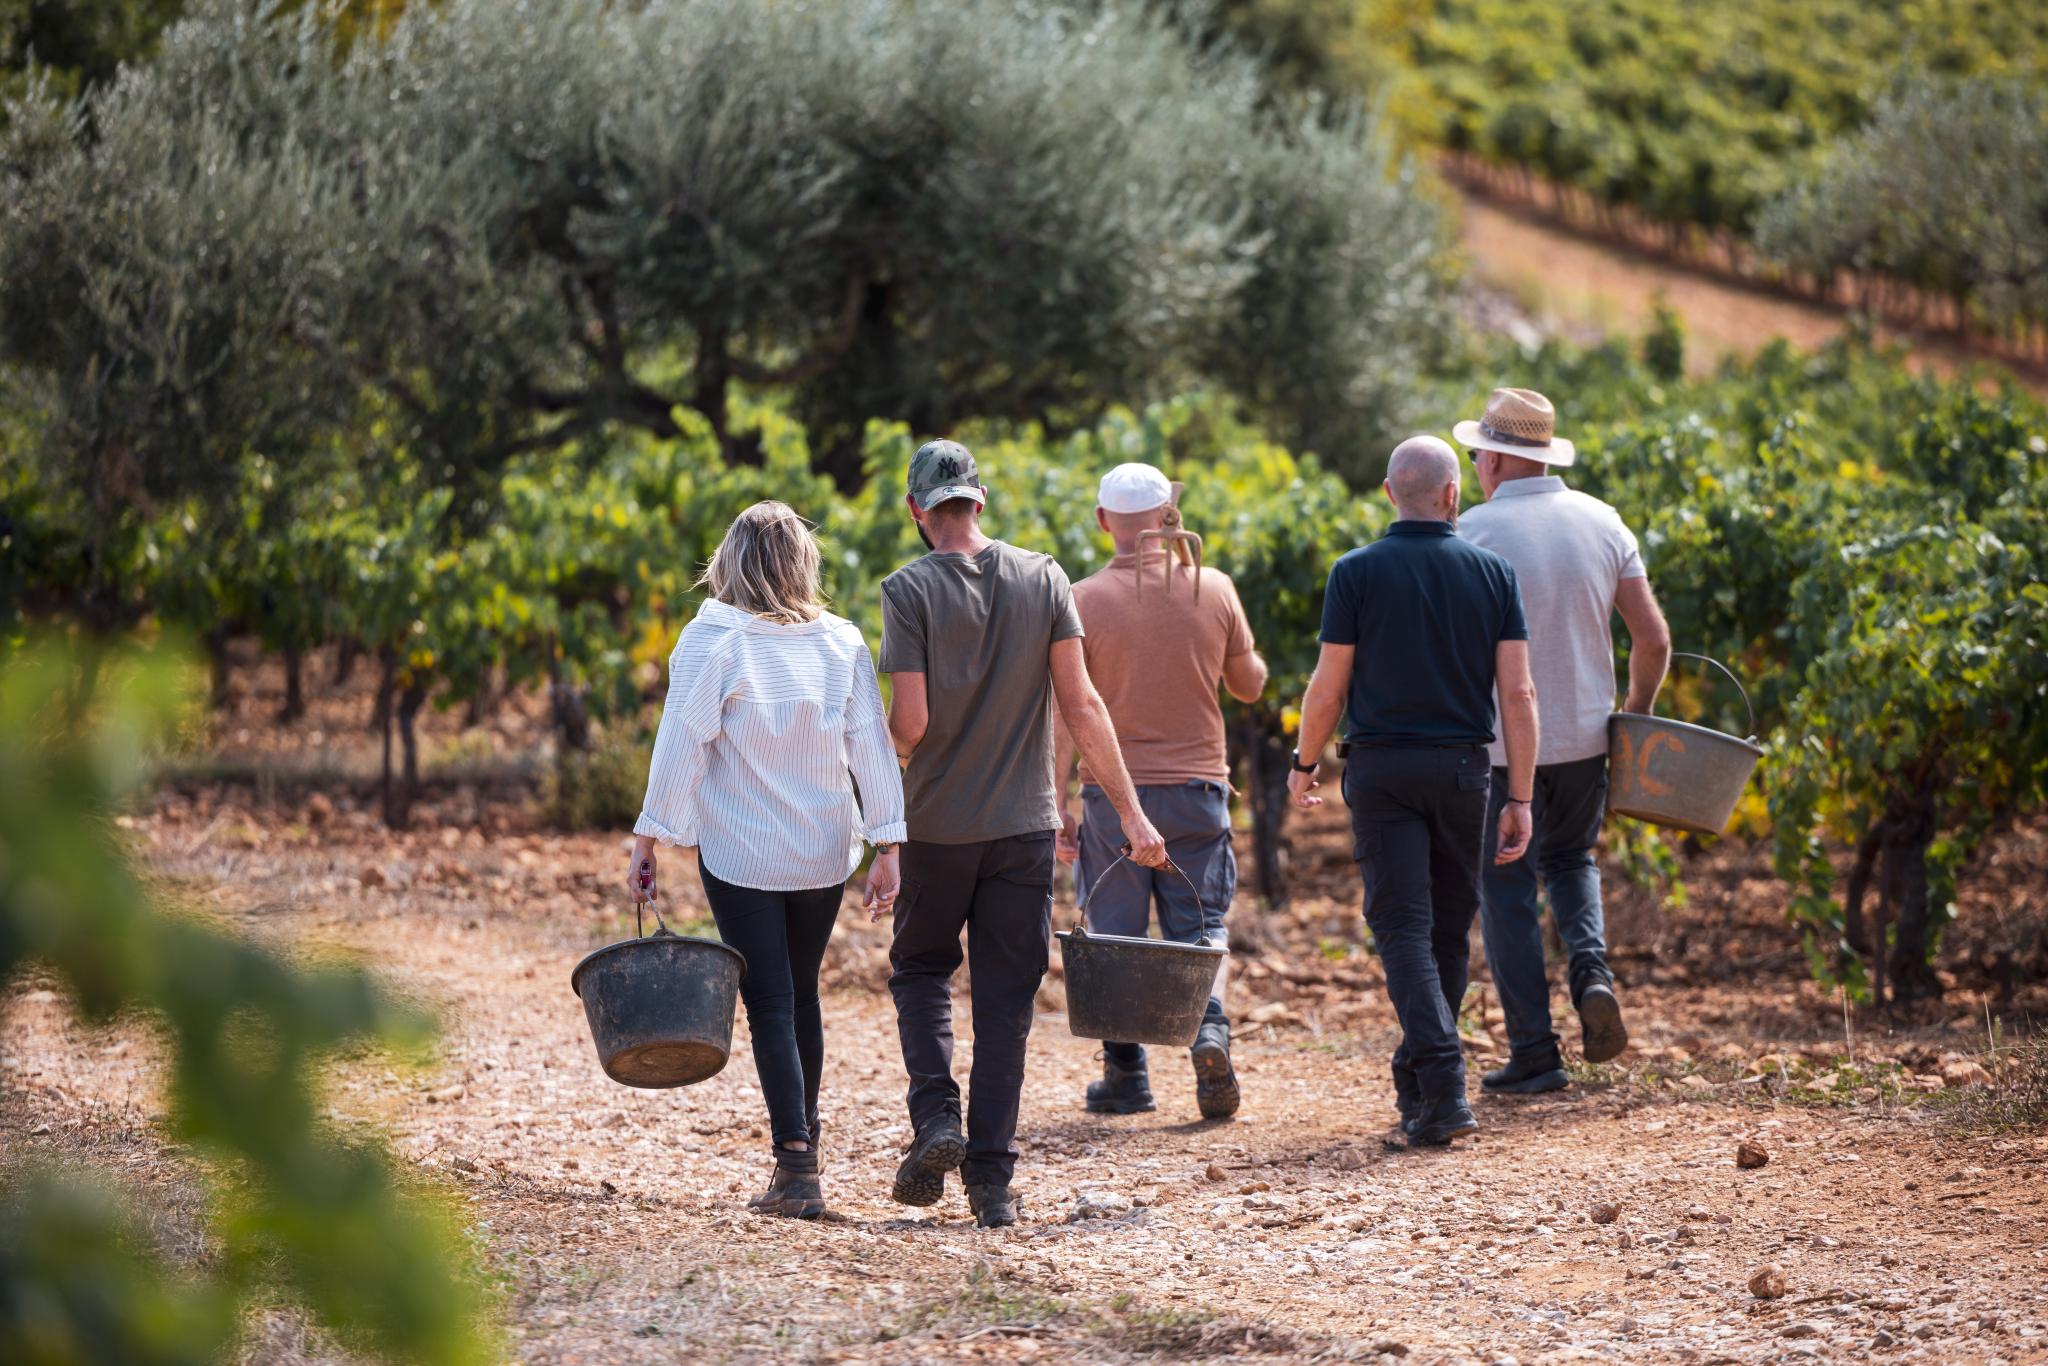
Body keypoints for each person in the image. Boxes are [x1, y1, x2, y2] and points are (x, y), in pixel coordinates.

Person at [880, 439, 1167, 1229]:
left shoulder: (906, 591)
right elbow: (1082, 706)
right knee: (1005, 1004)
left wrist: (870, 775)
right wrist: (1132, 812)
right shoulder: (1043, 578)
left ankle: (938, 1119)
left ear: (917, 511)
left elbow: (911, 724)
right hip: (1024, 829)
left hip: (937, 827)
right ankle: (993, 1185)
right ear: (979, 501)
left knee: (922, 973)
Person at [626, 502, 906, 1221]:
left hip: (744, 851)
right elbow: (871, 745)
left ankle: (796, 1167)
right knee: (800, 995)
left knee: (772, 1004)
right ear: (801, 562)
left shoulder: (713, 637)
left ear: (731, 559)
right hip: (821, 851)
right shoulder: (839, 640)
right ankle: (801, 1153)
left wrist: (650, 835)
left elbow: (680, 741)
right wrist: (888, 841)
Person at [1286, 436, 1538, 1147]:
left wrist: (1304, 763)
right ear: (1453, 495)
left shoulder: (1355, 572)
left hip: (1383, 772)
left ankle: (1438, 1080)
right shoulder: (1494, 574)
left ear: (1389, 493)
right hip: (1465, 771)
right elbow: (1517, 692)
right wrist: (1519, 794)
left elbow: (1328, 685)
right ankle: (1427, 1084)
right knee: (1448, 931)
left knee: (1401, 929)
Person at [1456, 387, 1670, 1089]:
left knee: (1506, 891)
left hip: (1496, 752)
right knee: (1573, 860)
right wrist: (1630, 718)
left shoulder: (1474, 536)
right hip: (1586, 738)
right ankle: (1591, 971)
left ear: (1492, 459)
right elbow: (1653, 639)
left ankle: (1535, 1055)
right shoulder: (1604, 521)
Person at [1051, 462, 1267, 1120]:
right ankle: (1209, 1034)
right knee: (1200, 924)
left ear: (1101, 522)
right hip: (1198, 788)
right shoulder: (1216, 587)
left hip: (1113, 798)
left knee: (1116, 934)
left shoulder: (1081, 600)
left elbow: (1068, 710)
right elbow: (1250, 686)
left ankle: (1126, 1077)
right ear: (1168, 517)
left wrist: (1055, 797)